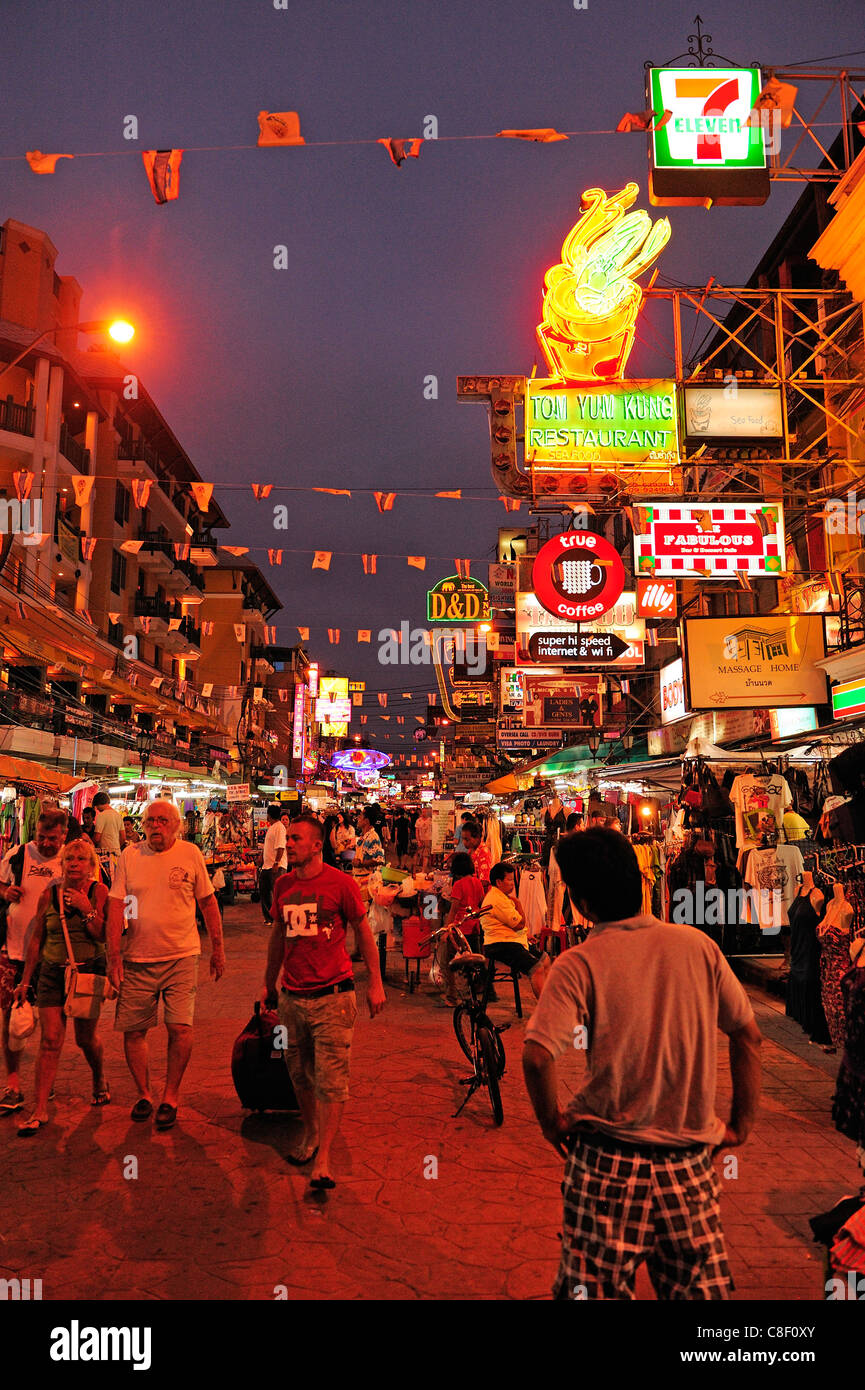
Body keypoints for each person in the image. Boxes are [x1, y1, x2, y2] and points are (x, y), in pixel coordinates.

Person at [522, 828, 762, 1301]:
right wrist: (740, 1124)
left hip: (606, 1166)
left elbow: (536, 1055)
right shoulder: (698, 947)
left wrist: (552, 1123)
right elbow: (748, 1036)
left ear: (581, 901)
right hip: (688, 1166)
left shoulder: (578, 963)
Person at [263, 815, 386, 1188]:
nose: (290, 845)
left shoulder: (342, 884)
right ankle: (311, 1131)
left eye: (296, 839)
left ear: (317, 845)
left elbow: (364, 932)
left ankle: (325, 1156)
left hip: (335, 995)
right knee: (298, 1071)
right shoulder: (282, 885)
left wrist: (375, 984)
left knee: (332, 1079)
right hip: (291, 998)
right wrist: (269, 983)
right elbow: (278, 938)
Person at [106, 798, 225, 1130]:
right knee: (133, 1030)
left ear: (176, 825)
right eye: (149, 821)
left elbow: (208, 902)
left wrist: (218, 948)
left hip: (182, 955)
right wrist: (113, 955)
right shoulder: (130, 856)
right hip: (138, 958)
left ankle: (170, 1096)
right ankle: (144, 1093)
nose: (154, 826)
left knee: (180, 1028)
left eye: (161, 821)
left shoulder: (190, 854)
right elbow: (116, 907)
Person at [13, 837, 110, 1132]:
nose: (75, 865)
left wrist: (85, 907)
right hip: (52, 972)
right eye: (70, 860)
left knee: (84, 1039)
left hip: (86, 973)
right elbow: (37, 939)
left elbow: (101, 935)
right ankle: (40, 1108)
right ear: (63, 865)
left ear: (91, 866)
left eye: (81, 860)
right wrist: (26, 980)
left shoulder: (99, 891)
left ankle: (98, 1077)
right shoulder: (49, 895)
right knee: (50, 1039)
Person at [0, 809, 67, 1115]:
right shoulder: (17, 854)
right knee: (12, 1021)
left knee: (49, 1023)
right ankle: (13, 1084)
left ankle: (45, 1077)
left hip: (52, 956)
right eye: (40, 836)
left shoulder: (71, 860)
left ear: (63, 835)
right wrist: (5, 892)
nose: (45, 843)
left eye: (51, 838)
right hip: (14, 951)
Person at [481, 862, 550, 1001]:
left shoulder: (502, 896)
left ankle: (549, 997)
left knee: (546, 960)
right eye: (510, 880)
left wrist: (526, 934)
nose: (513, 884)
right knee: (536, 968)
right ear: (499, 882)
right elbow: (519, 924)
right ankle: (546, 1008)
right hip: (501, 944)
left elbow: (518, 927)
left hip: (513, 940)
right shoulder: (497, 899)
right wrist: (518, 904)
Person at [438, 852, 485, 1006]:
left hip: (459, 929)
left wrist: (446, 930)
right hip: (475, 928)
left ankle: (451, 997)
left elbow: (453, 910)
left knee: (448, 962)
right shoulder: (478, 883)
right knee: (473, 964)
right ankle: (472, 996)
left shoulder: (458, 885)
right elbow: (480, 904)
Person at [259, 804, 287, 924]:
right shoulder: (272, 827)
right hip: (267, 865)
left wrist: (276, 863)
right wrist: (262, 856)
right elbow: (269, 846)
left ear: (269, 815)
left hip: (276, 866)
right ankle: (269, 917)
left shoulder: (280, 827)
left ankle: (280, 918)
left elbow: (280, 847)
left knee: (277, 894)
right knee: (264, 891)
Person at [92, 791, 125, 883]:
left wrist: (90, 842)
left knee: (106, 882)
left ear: (98, 804)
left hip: (105, 855)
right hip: (117, 855)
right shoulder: (118, 815)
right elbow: (123, 837)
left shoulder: (101, 816)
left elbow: (97, 838)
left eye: (96, 806)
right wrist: (116, 846)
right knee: (116, 882)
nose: (97, 809)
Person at [461, 821, 492, 891]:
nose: (464, 842)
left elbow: (485, 881)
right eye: (463, 839)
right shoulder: (471, 850)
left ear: (477, 838)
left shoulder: (483, 852)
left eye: (467, 839)